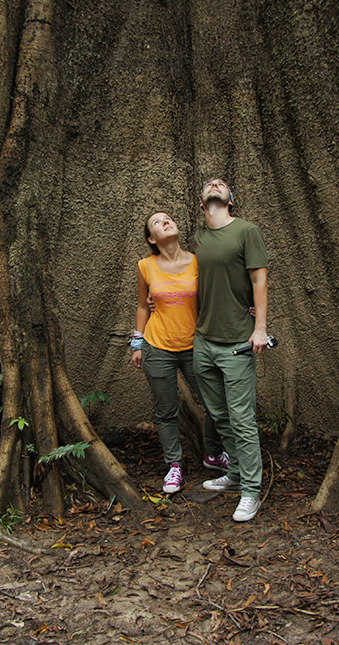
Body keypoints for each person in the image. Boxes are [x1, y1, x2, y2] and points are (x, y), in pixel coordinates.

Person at [131, 211, 227, 494]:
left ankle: (213, 453)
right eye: (158, 222)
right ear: (152, 238)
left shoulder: (198, 262)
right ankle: (174, 466)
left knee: (215, 402)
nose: (166, 221)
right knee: (166, 411)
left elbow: (214, 296)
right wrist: (137, 344)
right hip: (157, 345)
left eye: (168, 218)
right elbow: (141, 306)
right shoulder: (145, 266)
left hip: (196, 346)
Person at [192, 179, 269, 523]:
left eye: (222, 184)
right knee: (219, 414)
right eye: (210, 183)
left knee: (241, 418)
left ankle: (251, 490)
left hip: (238, 341)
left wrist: (261, 328)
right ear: (201, 202)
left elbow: (259, 280)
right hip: (203, 341)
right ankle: (235, 474)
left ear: (231, 200)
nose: (215, 184)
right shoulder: (198, 239)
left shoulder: (246, 231)